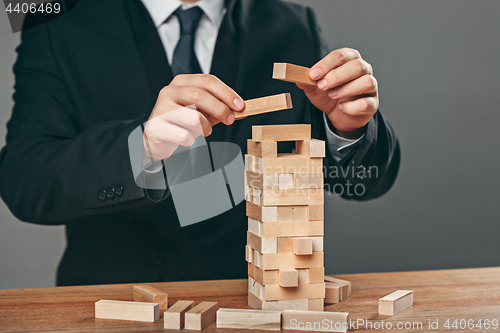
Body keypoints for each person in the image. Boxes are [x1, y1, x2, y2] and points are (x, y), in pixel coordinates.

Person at [0, 0, 400, 286]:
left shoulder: (291, 24)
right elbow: (23, 178)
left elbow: (369, 182)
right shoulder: (55, 21)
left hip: (250, 302)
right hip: (108, 301)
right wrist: (140, 149)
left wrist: (348, 129)